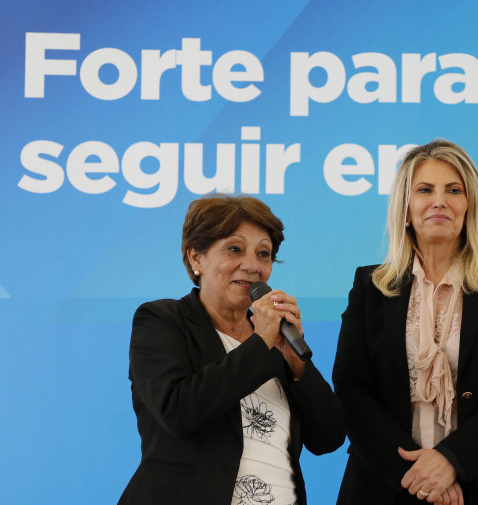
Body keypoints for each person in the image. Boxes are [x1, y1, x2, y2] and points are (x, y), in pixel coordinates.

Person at [333, 140, 478, 504]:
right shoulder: (370, 286)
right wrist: (419, 476)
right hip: (386, 482)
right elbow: (351, 389)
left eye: (453, 190)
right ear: (405, 206)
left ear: (469, 205)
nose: (439, 201)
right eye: (424, 190)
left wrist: (452, 460)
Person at [119, 194, 345, 505]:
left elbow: (329, 438)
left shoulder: (275, 338)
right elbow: (178, 412)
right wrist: (261, 344)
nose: (252, 265)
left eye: (263, 254)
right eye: (234, 249)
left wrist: (297, 366)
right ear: (196, 258)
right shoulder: (163, 320)